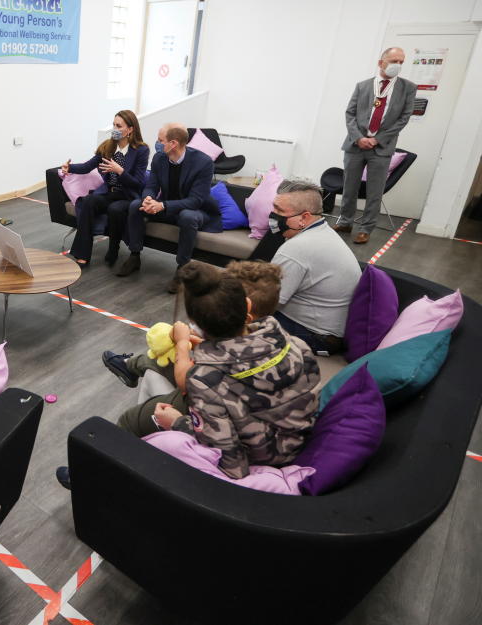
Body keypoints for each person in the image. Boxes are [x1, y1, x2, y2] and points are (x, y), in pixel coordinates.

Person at [58, 261, 319, 487]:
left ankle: (90, 478)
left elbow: (232, 464)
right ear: (247, 307)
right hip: (289, 434)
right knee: (164, 365)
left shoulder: (205, 379)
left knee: (130, 420)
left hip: (266, 454)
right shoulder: (292, 342)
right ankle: (132, 367)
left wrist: (178, 423)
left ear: (199, 323)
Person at [101, 260, 283, 388]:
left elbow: (186, 379)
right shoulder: (276, 336)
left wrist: (182, 344)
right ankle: (130, 365)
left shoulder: (213, 368)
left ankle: (131, 366)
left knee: (161, 361)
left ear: (246, 308)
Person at [117, 124, 221, 293]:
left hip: (195, 210)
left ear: (173, 143)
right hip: (167, 207)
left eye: (160, 140)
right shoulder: (159, 158)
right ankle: (135, 255)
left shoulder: (203, 163)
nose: (157, 143)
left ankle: (182, 268)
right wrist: (148, 199)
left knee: (187, 216)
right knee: (136, 205)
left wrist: (162, 205)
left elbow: (195, 201)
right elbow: (151, 186)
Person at [270, 180, 362, 355]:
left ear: (304, 217)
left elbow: (267, 302)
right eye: (274, 207)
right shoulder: (323, 232)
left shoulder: (296, 249)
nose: (273, 215)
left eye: (280, 211)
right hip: (331, 331)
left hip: (316, 336)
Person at [335, 47, 416, 244]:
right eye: (394, 60)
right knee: (349, 187)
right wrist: (358, 137)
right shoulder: (363, 86)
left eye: (401, 62)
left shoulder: (408, 88)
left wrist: (377, 139)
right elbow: (350, 113)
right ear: (381, 63)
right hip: (355, 146)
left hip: (381, 149)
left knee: (374, 191)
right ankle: (345, 222)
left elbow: (403, 119)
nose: (397, 65)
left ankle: (366, 228)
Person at [60, 110, 149, 266]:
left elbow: (138, 183)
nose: (114, 128)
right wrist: (70, 167)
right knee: (88, 201)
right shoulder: (108, 146)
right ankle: (83, 254)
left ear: (130, 129)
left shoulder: (141, 150)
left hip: (127, 196)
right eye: (113, 124)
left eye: (119, 125)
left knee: (115, 209)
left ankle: (113, 248)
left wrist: (119, 171)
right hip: (109, 193)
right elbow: (87, 166)